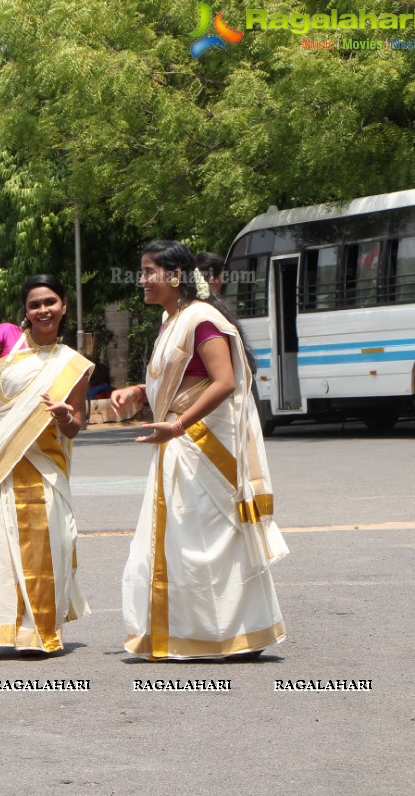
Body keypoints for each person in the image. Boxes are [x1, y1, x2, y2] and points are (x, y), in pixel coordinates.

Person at [111, 240, 288, 660]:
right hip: (180, 444)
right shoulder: (171, 320)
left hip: (204, 446)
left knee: (210, 540)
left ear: (175, 277)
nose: (142, 281)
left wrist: (177, 424)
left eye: (149, 272)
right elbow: (177, 383)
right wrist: (137, 392)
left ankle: (237, 636)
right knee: (180, 539)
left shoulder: (201, 319)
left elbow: (223, 381)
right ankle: (189, 633)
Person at [0, 274, 93, 654]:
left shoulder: (73, 364)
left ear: (64, 305)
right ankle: (3, 626)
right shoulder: (3, 337)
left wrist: (65, 417)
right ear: (26, 311)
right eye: (35, 304)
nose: (43, 310)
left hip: (44, 462)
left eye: (50, 302)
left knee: (49, 541)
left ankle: (40, 629)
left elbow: (76, 425)